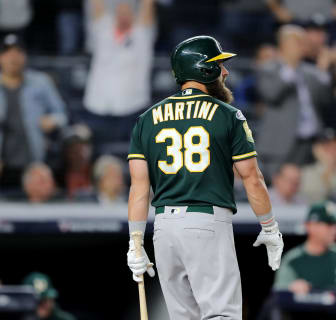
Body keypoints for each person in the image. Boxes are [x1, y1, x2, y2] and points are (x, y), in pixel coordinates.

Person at [126, 36, 284, 319]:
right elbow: (252, 178)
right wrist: (270, 227)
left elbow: (139, 189)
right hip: (205, 221)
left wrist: (135, 242)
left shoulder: (146, 119)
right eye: (218, 64)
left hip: (164, 229)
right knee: (222, 314)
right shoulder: (228, 114)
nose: (225, 72)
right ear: (203, 69)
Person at [256, 25, 336, 179]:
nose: (302, 47)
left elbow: (326, 100)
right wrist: (290, 67)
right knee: (279, 188)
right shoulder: (269, 68)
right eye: (297, 43)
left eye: (303, 43)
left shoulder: (310, 71)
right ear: (284, 45)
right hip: (281, 143)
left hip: (311, 142)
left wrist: (323, 69)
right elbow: (271, 94)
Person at [0, 34, 67, 190]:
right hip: (4, 167)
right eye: (7, 52)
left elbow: (63, 115)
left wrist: (53, 120)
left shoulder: (40, 82)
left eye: (18, 52)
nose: (13, 57)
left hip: (36, 165)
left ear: (25, 56)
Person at [83, 0, 155, 144]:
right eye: (120, 12)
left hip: (133, 107)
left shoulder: (142, 35)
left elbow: (148, 4)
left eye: (127, 12)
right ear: (114, 14)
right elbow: (96, 6)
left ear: (133, 15)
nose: (123, 15)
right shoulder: (103, 32)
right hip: (98, 106)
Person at [300, 129, 336, 203]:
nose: (331, 152)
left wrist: (333, 171)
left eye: (335, 147)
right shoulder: (305, 174)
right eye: (327, 148)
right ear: (317, 150)